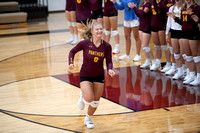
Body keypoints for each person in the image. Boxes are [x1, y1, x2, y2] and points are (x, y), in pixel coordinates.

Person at [68, 22, 116, 128]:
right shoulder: (85, 43)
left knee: (95, 102)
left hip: (99, 76)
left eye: (101, 29)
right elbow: (72, 51)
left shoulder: (107, 46)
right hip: (85, 75)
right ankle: (83, 95)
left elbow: (109, 61)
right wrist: (71, 63)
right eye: (97, 29)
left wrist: (110, 69)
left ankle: (88, 118)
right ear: (92, 32)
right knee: (89, 99)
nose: (99, 31)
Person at [168, 0, 200, 85]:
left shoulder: (197, 7)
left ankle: (199, 77)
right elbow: (182, 22)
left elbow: (197, 20)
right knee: (188, 55)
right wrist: (174, 17)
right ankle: (192, 75)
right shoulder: (184, 8)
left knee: (196, 56)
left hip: (193, 32)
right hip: (184, 32)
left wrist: (195, 17)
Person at [129, 0, 156, 69]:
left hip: (147, 27)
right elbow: (139, 14)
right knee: (143, 46)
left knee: (145, 46)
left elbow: (142, 14)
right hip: (141, 26)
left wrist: (134, 8)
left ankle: (154, 62)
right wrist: (135, 8)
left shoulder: (149, 4)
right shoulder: (143, 4)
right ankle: (147, 61)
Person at [150, 0, 171, 71]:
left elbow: (165, 10)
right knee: (157, 46)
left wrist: (160, 3)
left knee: (164, 45)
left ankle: (168, 63)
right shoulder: (152, 2)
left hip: (161, 25)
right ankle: (158, 62)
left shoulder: (164, 1)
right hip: (153, 25)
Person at [166, 0, 184, 79]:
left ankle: (185, 69)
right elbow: (169, 22)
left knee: (184, 52)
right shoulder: (171, 8)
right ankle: (179, 71)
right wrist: (167, 33)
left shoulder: (184, 8)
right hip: (173, 31)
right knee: (175, 52)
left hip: (182, 31)